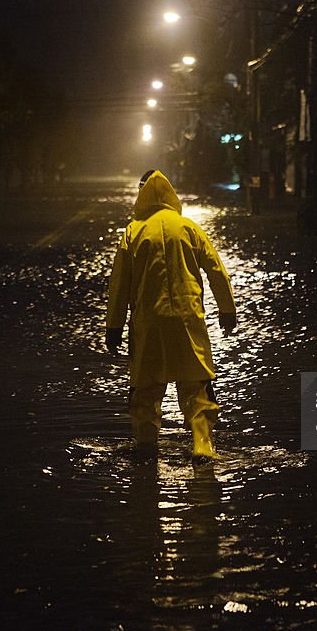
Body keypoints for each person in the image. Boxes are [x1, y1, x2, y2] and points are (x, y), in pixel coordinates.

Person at [106, 169, 237, 461]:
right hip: (188, 320)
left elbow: (119, 285)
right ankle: (203, 445)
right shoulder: (189, 228)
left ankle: (146, 446)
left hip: (149, 323)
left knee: (146, 388)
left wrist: (113, 327)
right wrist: (227, 310)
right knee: (197, 385)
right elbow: (217, 270)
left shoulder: (133, 232)